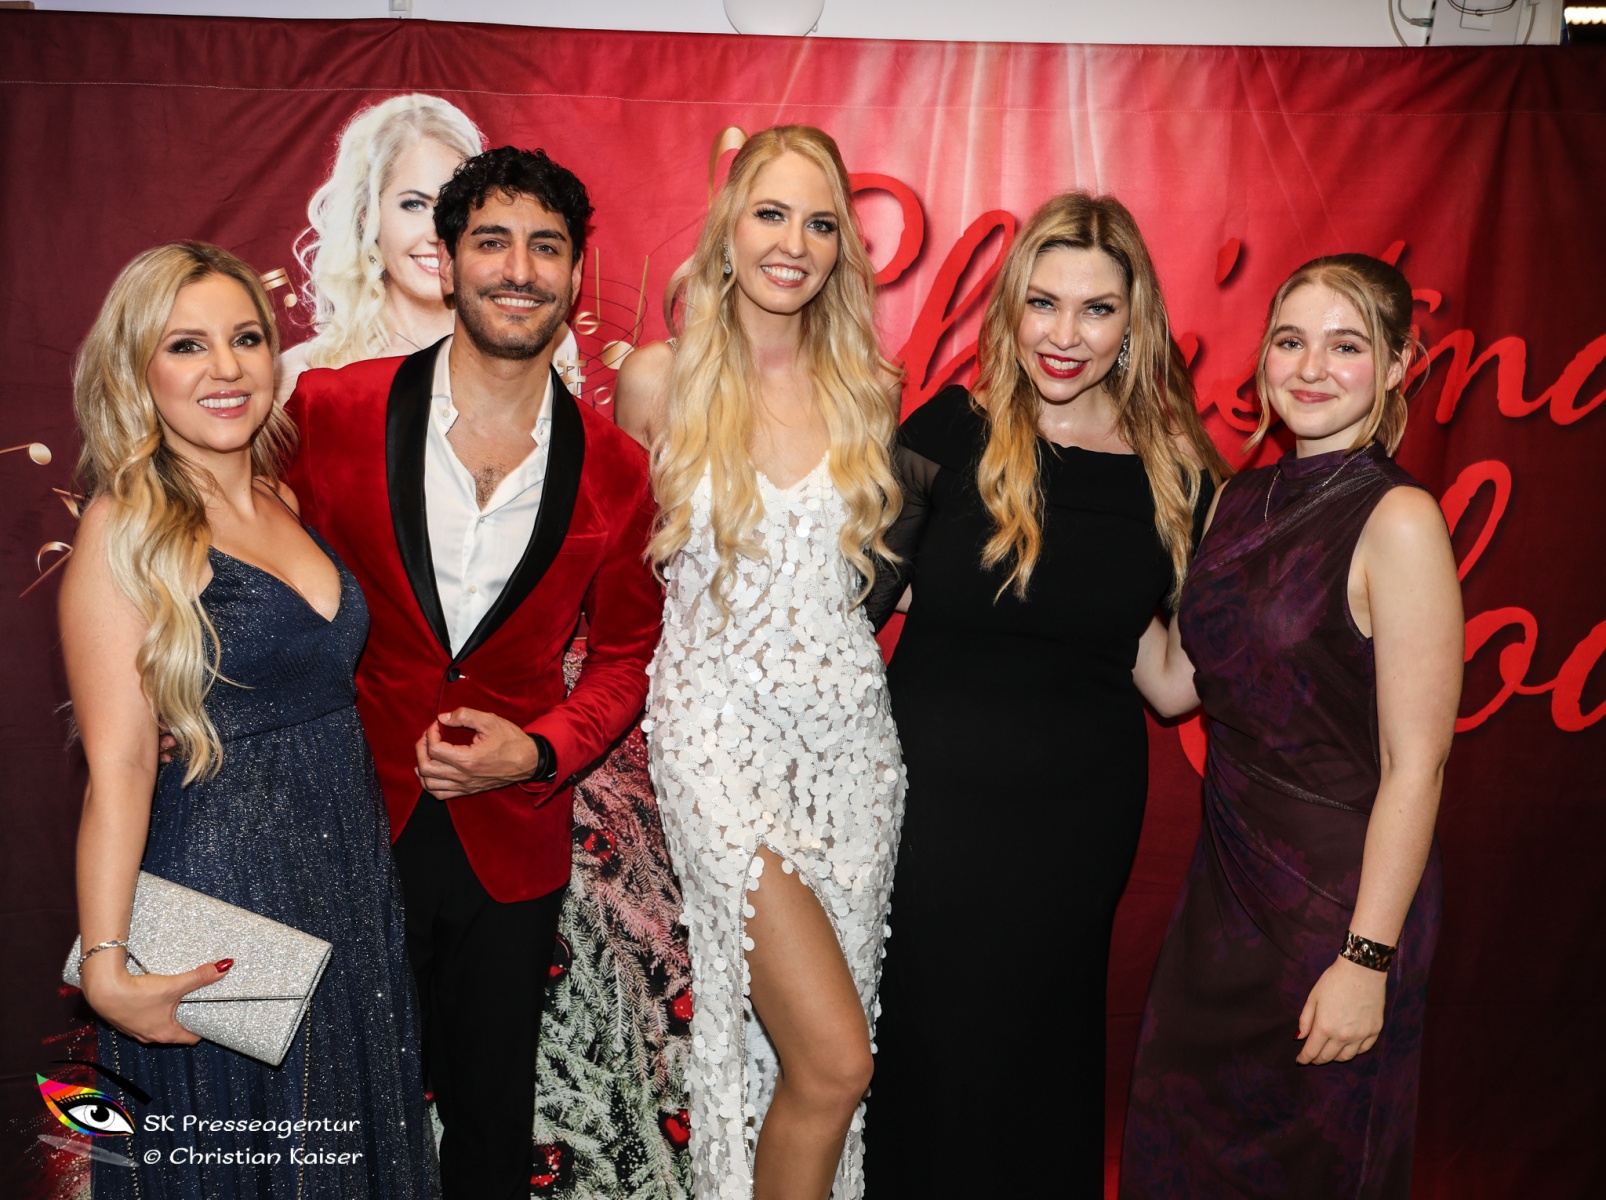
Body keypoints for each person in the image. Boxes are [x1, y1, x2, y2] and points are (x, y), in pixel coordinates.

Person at [283, 146, 663, 1200]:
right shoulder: (331, 409)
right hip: (347, 815)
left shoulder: (619, 469)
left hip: (510, 843)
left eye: (547, 246)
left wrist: (538, 750)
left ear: (574, 274)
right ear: (446, 263)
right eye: (491, 241)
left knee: (489, 1131)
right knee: (334, 1111)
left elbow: (627, 655)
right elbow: (233, 567)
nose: (519, 268)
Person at [861, 192, 1230, 1194]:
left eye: (1097, 309)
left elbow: (1169, 684)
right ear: (1012, 309)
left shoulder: (1178, 478)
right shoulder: (948, 429)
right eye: (1044, 303)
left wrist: (1284, 612)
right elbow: (858, 603)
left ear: (1134, 322)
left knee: (1037, 1042)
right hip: (925, 801)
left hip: (1075, 819)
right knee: (922, 1034)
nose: (1066, 335)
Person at [62, 241, 435, 1198]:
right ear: (137, 370)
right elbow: (120, 768)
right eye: (186, 345)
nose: (225, 368)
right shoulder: (125, 526)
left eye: (246, 339)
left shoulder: (282, 498)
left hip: (344, 883)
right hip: (224, 896)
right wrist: (106, 968)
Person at [1119, 254, 1461, 1198]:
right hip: (1226, 896)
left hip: (1341, 907)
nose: (1310, 368)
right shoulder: (1238, 498)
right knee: (1182, 1151)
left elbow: (1417, 764)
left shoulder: (1399, 518)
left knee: (1312, 1167)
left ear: (1398, 364)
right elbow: (1176, 684)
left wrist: (1366, 958)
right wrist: (1074, 575)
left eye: (1345, 345)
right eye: (1290, 341)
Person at [614, 124, 905, 1200]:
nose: (793, 243)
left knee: (811, 1068)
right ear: (727, 227)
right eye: (770, 213)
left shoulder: (868, 388)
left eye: (819, 223)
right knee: (835, 1062)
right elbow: (612, 586)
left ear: (841, 249)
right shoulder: (660, 381)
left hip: (851, 756)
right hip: (718, 746)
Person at [277, 94, 583, 404]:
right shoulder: (301, 374)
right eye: (414, 204)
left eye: (453, 207)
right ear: (367, 214)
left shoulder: (541, 339)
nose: (438, 233)